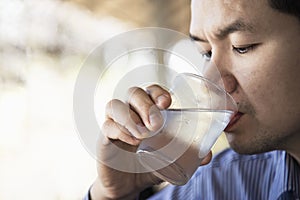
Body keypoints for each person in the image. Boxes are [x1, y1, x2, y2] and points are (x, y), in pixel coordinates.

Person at [85, 0, 300, 199]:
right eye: (206, 52)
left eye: (241, 47)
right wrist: (112, 195)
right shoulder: (221, 185)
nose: (209, 83)